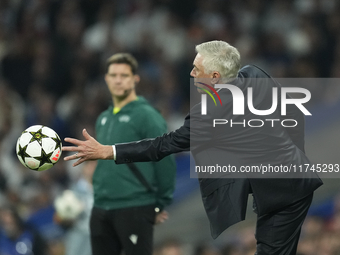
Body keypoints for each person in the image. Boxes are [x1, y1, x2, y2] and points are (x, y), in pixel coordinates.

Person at [63, 41, 323, 255]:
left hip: (284, 193)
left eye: (196, 69)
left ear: (215, 76)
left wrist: (109, 151)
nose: (191, 74)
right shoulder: (253, 74)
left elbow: (162, 145)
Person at [66, 53, 177, 255]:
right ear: (106, 79)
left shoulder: (147, 115)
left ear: (135, 79)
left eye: (124, 75)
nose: (118, 80)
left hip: (134, 204)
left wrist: (160, 203)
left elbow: (165, 158)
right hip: (101, 205)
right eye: (113, 75)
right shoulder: (103, 118)